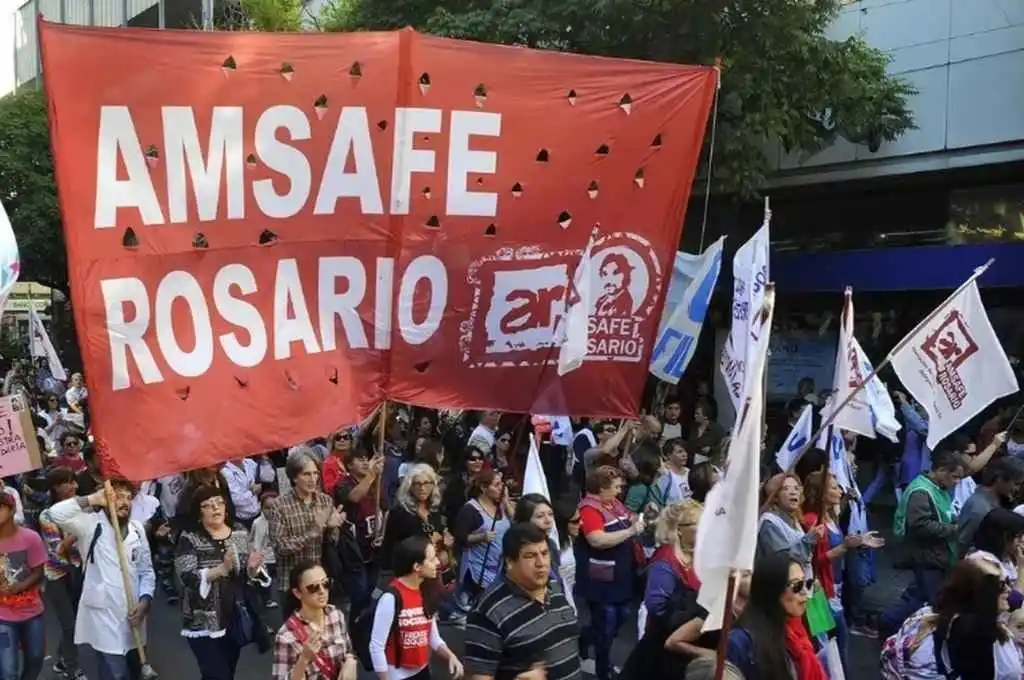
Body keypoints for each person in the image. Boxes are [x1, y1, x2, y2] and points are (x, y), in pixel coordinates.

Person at [49, 482, 155, 680]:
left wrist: (145, 602)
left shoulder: (137, 529)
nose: (124, 502)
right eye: (117, 497)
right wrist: (91, 499)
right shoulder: (89, 525)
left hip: (134, 616)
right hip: (104, 616)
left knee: (133, 671)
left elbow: (146, 571)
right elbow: (55, 514)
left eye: (128, 498)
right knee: (115, 673)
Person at [465, 522, 582, 680]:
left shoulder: (554, 587)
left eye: (545, 553)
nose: (541, 564)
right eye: (530, 556)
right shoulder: (487, 612)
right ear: (510, 562)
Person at [175, 485, 265, 679]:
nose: (216, 508)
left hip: (233, 615)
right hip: (202, 621)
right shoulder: (189, 538)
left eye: (219, 503)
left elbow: (244, 574)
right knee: (218, 675)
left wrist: (252, 568)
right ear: (199, 513)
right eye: (208, 505)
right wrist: (220, 570)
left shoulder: (239, 531)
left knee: (227, 673)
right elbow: (187, 577)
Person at [884, 449, 966, 635]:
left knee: (920, 593)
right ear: (942, 470)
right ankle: (890, 623)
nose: (957, 482)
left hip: (934, 554)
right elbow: (920, 525)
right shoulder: (921, 492)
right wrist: (953, 529)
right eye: (955, 477)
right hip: (927, 555)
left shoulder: (937, 488)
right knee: (924, 598)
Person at [577, 466, 642, 680]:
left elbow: (627, 516)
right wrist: (631, 531)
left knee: (622, 614)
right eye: (615, 487)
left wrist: (638, 519)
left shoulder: (613, 503)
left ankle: (584, 639)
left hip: (620, 577)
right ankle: (603, 670)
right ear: (602, 488)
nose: (619, 490)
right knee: (606, 624)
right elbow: (597, 539)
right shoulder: (590, 509)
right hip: (601, 580)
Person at [370, 535, 463, 680]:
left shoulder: (426, 592)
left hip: (422, 671)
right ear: (417, 567)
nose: (437, 562)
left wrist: (450, 655)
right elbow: (376, 646)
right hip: (397, 675)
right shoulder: (391, 598)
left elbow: (433, 637)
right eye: (432, 559)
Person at [268, 449, 344, 619]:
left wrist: (332, 528)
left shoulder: (325, 501)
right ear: (294, 477)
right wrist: (312, 533)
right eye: (306, 474)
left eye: (315, 473)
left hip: (319, 581)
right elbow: (280, 547)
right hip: (291, 584)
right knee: (296, 637)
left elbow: (333, 542)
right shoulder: (280, 506)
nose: (313, 479)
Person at [726, 552, 827, 680]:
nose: (804, 591)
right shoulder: (740, 642)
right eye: (796, 585)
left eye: (807, 583)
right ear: (773, 590)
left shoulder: (797, 627)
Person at [272, 560, 359, 680]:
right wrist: (303, 659)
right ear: (297, 593)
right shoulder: (286, 636)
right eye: (313, 588)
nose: (322, 591)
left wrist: (350, 662)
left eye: (326, 584)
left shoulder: (336, 615)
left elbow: (348, 649)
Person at [38, 467, 84, 680]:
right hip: (57, 576)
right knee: (69, 624)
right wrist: (80, 531)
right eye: (68, 482)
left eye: (74, 481)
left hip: (80, 573)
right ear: (56, 487)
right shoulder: (46, 516)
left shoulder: (82, 509)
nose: (74, 486)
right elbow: (57, 550)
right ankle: (72, 669)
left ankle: (61, 659)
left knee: (74, 620)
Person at [331, 447, 386, 617]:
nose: (364, 462)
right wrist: (371, 475)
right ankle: (355, 625)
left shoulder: (376, 483)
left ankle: (366, 625)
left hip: (373, 547)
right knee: (359, 591)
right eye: (359, 459)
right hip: (354, 548)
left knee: (371, 589)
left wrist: (383, 532)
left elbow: (386, 508)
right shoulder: (342, 484)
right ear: (349, 465)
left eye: (366, 459)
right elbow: (354, 497)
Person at [0, 489, 46, 680]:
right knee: (8, 671)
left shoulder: (30, 538)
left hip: (31, 612)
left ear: (11, 510)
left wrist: (20, 586)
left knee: (35, 658)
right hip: (2, 616)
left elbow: (39, 573)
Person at [454, 470, 512, 601]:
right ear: (484, 488)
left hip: (501, 568)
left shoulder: (501, 506)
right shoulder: (470, 510)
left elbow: (515, 523)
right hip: (478, 570)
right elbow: (460, 538)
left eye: (501, 484)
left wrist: (506, 502)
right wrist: (481, 537)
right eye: (496, 485)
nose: (501, 488)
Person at [220, 458, 261, 528]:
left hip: (259, 511)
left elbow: (264, 479)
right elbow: (237, 500)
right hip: (242, 518)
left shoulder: (250, 462)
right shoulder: (225, 471)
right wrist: (252, 492)